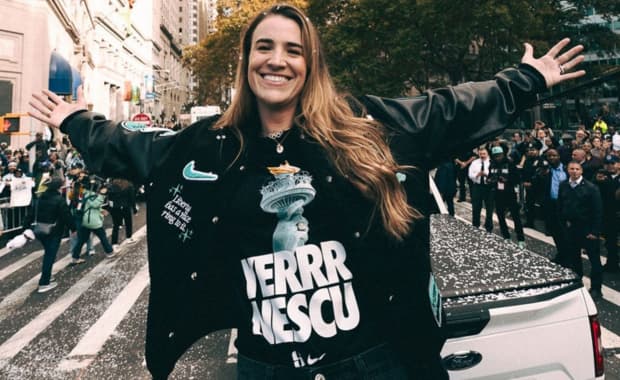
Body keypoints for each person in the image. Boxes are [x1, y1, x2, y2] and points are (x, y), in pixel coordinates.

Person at [28, 4, 585, 379]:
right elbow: (132, 149)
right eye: (264, 47)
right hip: (265, 365)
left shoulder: (361, 126)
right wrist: (77, 120)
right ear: (247, 60)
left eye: (293, 50)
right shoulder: (210, 147)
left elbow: (444, 111)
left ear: (309, 64)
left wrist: (526, 80)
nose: (277, 59)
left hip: (373, 362)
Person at [558, 161, 603, 300]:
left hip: (587, 228)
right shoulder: (564, 185)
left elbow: (597, 211)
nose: (574, 171)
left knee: (594, 260)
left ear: (581, 171)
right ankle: (578, 283)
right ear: (567, 170)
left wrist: (595, 232)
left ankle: (596, 288)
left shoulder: (591, 188)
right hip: (571, 228)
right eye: (571, 168)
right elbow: (560, 206)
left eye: (577, 169)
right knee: (574, 257)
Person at [23, 176, 76, 293]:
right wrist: (73, 228)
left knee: (48, 253)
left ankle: (48, 275)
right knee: (50, 255)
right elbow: (66, 215)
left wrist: (25, 228)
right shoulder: (59, 200)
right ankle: (44, 283)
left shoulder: (40, 198)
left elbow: (30, 214)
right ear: (59, 187)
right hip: (54, 231)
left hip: (40, 230)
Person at [488, 145, 526, 248]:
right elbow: (490, 177)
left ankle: (521, 238)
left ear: (503, 154)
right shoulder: (492, 165)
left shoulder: (510, 163)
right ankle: (506, 236)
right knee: (500, 216)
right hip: (497, 193)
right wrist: (490, 180)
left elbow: (517, 179)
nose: (497, 158)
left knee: (515, 216)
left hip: (509, 193)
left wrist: (508, 181)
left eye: (499, 155)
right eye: (495, 156)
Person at [71, 182, 116, 264]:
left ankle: (75, 257)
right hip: (93, 221)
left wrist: (101, 210)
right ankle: (110, 252)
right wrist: (102, 195)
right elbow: (95, 204)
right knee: (103, 237)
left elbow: (90, 206)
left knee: (82, 239)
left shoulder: (84, 193)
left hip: (86, 220)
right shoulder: (92, 195)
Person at [468, 146, 494, 233]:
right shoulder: (475, 162)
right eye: (480, 154)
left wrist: (486, 174)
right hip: (477, 186)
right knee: (476, 207)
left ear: (487, 154)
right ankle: (475, 225)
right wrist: (477, 175)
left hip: (488, 187)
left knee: (489, 208)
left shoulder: (491, 162)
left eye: (484, 154)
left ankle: (489, 226)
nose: (482, 155)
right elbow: (470, 174)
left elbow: (494, 174)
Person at [107, 177, 137, 248]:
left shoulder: (112, 185)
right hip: (125, 206)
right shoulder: (129, 185)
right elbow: (132, 198)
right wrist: (134, 209)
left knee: (116, 225)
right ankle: (129, 238)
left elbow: (110, 198)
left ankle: (114, 243)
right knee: (128, 223)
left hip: (115, 207)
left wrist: (110, 209)